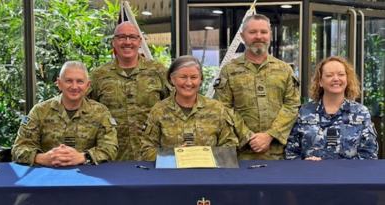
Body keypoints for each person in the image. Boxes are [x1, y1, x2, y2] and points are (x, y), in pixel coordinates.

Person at [214, 14, 300, 160]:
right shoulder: (229, 71)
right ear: (242, 36)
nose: (258, 36)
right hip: (240, 152)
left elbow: (292, 106)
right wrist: (249, 137)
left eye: (263, 32)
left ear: (270, 35)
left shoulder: (284, 69)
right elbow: (224, 108)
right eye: (252, 32)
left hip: (278, 152)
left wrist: (270, 135)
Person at [141, 55, 254, 161]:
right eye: (183, 77)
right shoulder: (159, 110)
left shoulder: (216, 108)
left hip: (208, 176)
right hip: (171, 177)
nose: (189, 83)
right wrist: (173, 154)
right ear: (172, 79)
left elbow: (230, 146)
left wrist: (203, 155)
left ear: (200, 80)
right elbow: (147, 150)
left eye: (194, 77)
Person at [88, 22, 171, 161]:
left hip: (153, 156)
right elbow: (89, 113)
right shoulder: (99, 75)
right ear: (114, 42)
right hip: (113, 157)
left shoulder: (158, 71)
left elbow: (172, 107)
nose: (127, 42)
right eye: (122, 37)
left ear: (139, 41)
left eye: (132, 37)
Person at [12, 61, 118, 166]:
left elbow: (110, 148)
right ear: (59, 83)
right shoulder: (40, 111)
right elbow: (19, 148)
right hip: (47, 175)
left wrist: (82, 157)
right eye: (68, 81)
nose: (74, 86)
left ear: (88, 85)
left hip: (88, 177)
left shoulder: (100, 112)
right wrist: (42, 158)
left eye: (80, 81)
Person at [285, 56, 378, 160]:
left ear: (347, 79)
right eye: (329, 75)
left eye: (341, 74)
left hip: (350, 175)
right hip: (311, 174)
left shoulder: (361, 112)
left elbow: (369, 153)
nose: (336, 79)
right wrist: (304, 164)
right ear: (320, 81)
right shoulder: (304, 111)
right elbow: (291, 152)